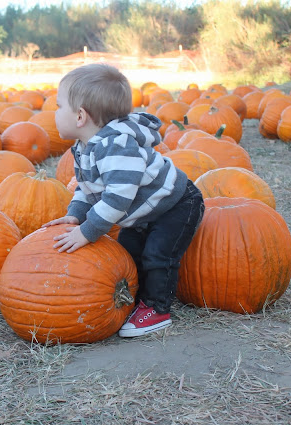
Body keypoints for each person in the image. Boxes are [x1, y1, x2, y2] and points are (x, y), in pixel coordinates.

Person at [42, 63, 205, 338]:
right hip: (143, 210)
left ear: (80, 116)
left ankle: (157, 309)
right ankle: (137, 298)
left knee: (157, 254)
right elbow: (87, 186)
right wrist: (76, 214)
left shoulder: (117, 147)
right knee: (129, 252)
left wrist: (88, 231)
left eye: (58, 107)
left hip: (175, 205)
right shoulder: (85, 147)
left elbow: (118, 197)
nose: (54, 113)